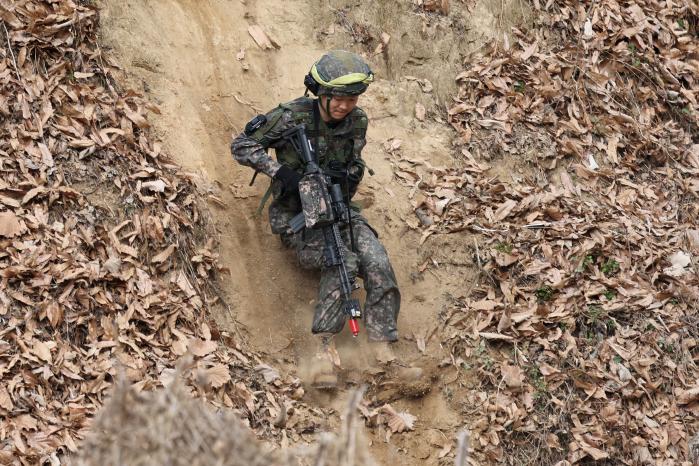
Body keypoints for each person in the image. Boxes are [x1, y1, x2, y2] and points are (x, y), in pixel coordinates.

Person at [230, 50, 402, 388]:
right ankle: (324, 354)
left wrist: (346, 179)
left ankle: (384, 351)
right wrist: (283, 174)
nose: (344, 106)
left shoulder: (358, 122)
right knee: (344, 262)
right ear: (321, 95)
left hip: (339, 211)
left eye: (352, 99)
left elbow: (353, 163)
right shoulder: (290, 116)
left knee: (378, 261)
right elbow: (241, 145)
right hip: (296, 216)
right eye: (338, 98)